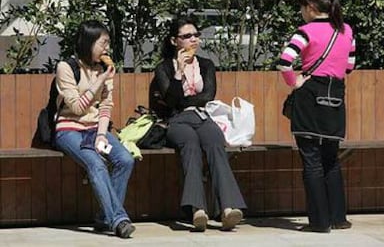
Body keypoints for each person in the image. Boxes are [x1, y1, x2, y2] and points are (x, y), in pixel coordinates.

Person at [154, 17, 247, 232]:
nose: (194, 39)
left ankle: (228, 207)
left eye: (196, 35)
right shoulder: (164, 68)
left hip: (202, 117)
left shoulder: (206, 65)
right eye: (187, 36)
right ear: (174, 41)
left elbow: (208, 95)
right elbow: (170, 102)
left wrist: (183, 100)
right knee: (190, 144)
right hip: (177, 121)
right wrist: (178, 72)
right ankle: (197, 209)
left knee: (215, 141)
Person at [276, 0, 355, 233]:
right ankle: (338, 217)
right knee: (331, 159)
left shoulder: (305, 31)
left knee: (311, 160)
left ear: (310, 6)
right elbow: (350, 66)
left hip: (310, 98)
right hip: (335, 98)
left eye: (301, 5)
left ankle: (319, 223)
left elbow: (284, 62)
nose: (300, 10)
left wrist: (295, 81)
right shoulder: (347, 30)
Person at [54, 20, 136, 238]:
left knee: (125, 160)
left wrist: (101, 135)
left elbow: (106, 107)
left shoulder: (104, 69)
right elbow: (78, 107)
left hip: (94, 129)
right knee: (96, 164)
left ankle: (103, 217)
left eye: (108, 43)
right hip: (69, 129)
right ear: (88, 43)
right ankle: (117, 219)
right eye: (103, 43)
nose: (106, 48)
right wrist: (99, 80)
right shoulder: (66, 68)